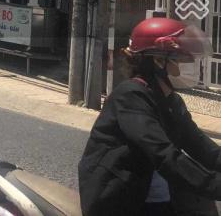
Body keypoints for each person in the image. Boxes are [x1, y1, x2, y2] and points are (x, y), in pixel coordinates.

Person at [79, 17, 221, 216]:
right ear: (158, 61)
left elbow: (199, 145)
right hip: (121, 201)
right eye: (183, 60)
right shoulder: (130, 96)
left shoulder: (172, 101)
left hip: (162, 198)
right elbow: (163, 153)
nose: (193, 67)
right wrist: (215, 185)